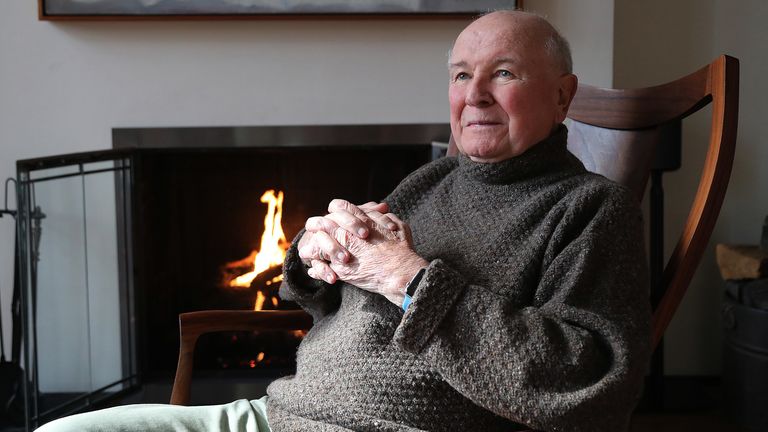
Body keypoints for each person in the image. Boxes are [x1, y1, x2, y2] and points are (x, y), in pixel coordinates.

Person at [38, 9, 651, 432]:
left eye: (505, 73)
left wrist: (412, 280)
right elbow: (341, 299)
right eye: (462, 75)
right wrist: (317, 253)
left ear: (564, 95)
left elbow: (590, 387)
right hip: (280, 413)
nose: (475, 95)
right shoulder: (433, 178)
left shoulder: (589, 209)